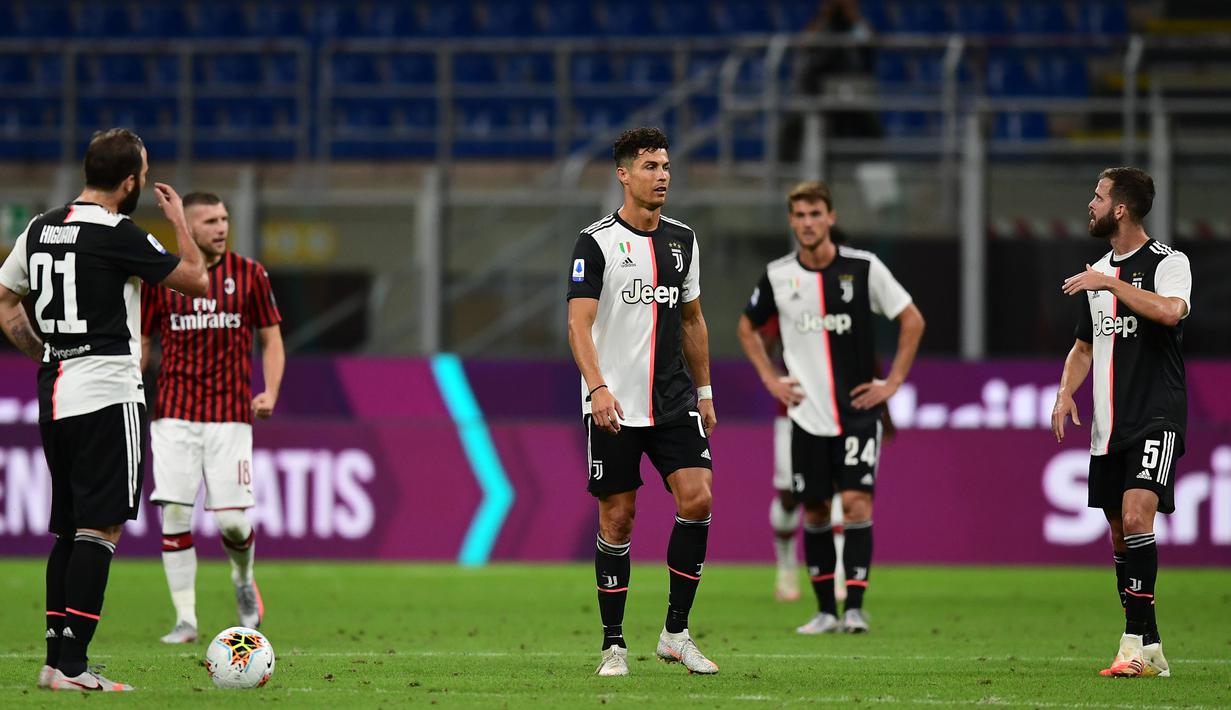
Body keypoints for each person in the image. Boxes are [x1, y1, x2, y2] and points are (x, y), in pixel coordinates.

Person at [0, 128, 208, 691]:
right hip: (107, 392)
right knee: (101, 527)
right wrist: (182, 225)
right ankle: (73, 666)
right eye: (143, 172)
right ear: (130, 181)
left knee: (70, 528)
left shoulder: (40, 228)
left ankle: (53, 662)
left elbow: (5, 299)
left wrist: (43, 352)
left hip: (56, 392)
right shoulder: (118, 232)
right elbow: (197, 279)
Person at [737, 180, 924, 634]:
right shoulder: (780, 275)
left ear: (831, 217)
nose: (807, 223)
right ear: (791, 221)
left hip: (858, 412)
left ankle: (855, 607)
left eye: (815, 214)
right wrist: (769, 379)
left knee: (857, 504)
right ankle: (824, 611)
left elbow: (911, 319)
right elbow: (747, 327)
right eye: (799, 215)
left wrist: (893, 382)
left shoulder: (863, 268)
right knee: (816, 510)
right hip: (805, 416)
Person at [567, 127, 719, 677]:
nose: (662, 176)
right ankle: (613, 644)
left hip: (674, 400)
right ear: (624, 174)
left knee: (697, 497)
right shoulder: (596, 243)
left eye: (667, 166)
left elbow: (694, 320)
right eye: (651, 167)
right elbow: (578, 325)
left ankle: (676, 633)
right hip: (615, 405)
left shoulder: (683, 240)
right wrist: (598, 387)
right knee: (619, 517)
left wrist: (703, 391)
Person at [1052, 167, 1189, 678]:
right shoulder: (1099, 273)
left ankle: (1132, 644)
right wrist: (1066, 392)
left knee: (1137, 517)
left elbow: (1171, 312)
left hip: (1157, 414)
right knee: (1117, 535)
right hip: (1107, 426)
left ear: (1121, 209)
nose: (1090, 203)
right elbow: (1084, 347)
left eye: (1098, 196)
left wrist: (1108, 281)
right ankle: (1149, 644)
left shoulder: (1168, 262)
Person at [140, 191, 284, 644]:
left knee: (232, 523)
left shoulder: (250, 275)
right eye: (210, 222)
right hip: (174, 414)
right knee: (176, 514)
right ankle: (186, 619)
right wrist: (130, 383)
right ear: (188, 228)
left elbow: (272, 339)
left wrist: (271, 391)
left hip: (230, 416)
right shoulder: (161, 279)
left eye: (225, 219)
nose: (221, 228)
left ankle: (243, 580)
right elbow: (142, 342)